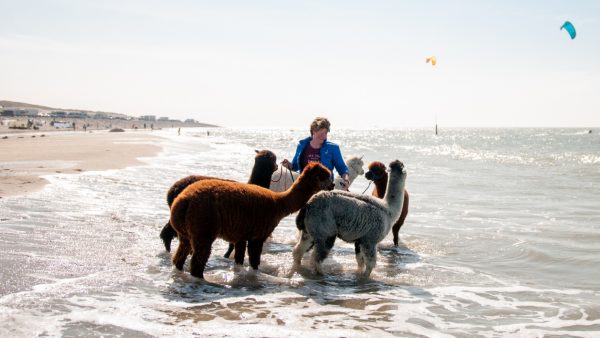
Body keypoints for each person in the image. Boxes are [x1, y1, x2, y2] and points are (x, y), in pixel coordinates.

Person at [282, 117, 351, 189]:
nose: (324, 136)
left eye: (326, 133)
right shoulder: (302, 146)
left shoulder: (333, 148)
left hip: (325, 188)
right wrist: (288, 165)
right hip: (304, 188)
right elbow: (294, 167)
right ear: (314, 131)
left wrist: (346, 180)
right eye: (321, 133)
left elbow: (342, 168)